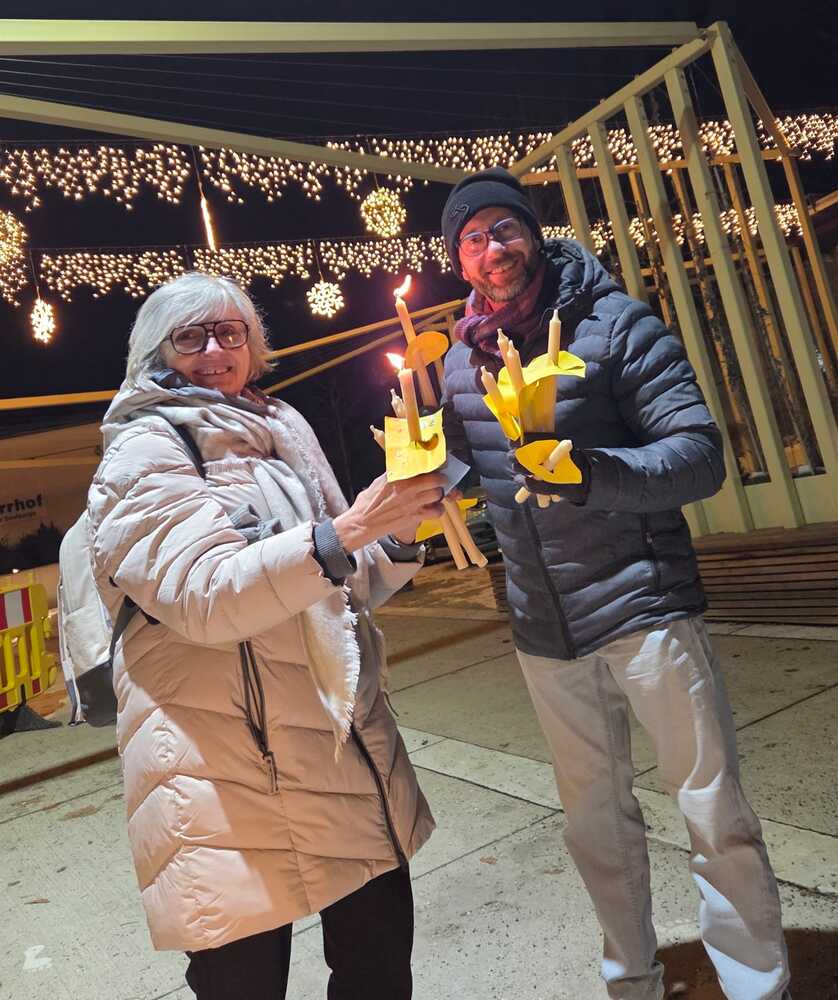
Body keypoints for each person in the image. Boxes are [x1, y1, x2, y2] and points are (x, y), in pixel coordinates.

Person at [440, 167, 791, 1000]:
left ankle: (757, 984)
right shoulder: (459, 362)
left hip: (644, 606)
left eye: (505, 228)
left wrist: (591, 473)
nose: (494, 248)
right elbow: (468, 467)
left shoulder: (615, 325)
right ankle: (631, 980)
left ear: (535, 233)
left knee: (712, 811)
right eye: (474, 238)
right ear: (459, 259)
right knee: (593, 827)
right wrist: (416, 485)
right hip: (544, 630)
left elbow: (698, 454)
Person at [84, 272, 445, 1000]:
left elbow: (338, 586)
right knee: (244, 985)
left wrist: (398, 531)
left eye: (231, 332)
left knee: (378, 972)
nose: (215, 350)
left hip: (335, 746)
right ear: (155, 351)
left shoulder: (281, 427)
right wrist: (348, 530)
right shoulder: (142, 451)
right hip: (222, 772)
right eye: (190, 336)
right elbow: (205, 595)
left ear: (254, 344)